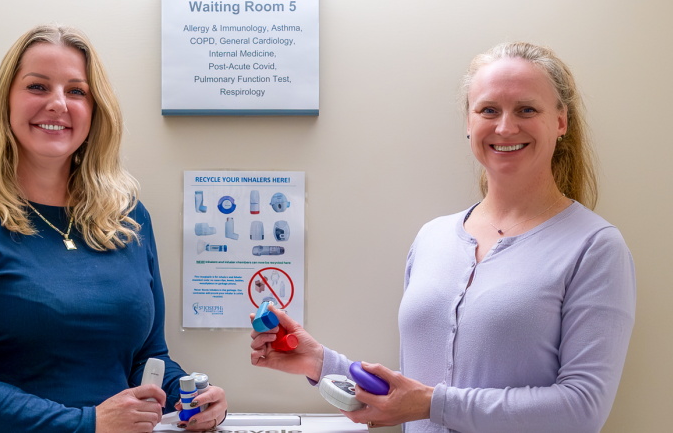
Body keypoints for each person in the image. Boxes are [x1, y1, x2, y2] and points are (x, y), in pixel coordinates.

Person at [250, 42, 635, 433]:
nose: (505, 127)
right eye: (488, 110)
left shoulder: (595, 247)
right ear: (469, 122)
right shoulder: (432, 238)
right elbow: (413, 393)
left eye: (526, 109)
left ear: (561, 121)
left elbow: (582, 410)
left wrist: (433, 404)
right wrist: (320, 362)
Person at [0, 24, 227, 433]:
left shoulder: (127, 219)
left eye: (76, 91)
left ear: (95, 110)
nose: (58, 104)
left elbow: (147, 357)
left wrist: (192, 396)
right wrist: (85, 423)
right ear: (6, 102)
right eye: (37, 87)